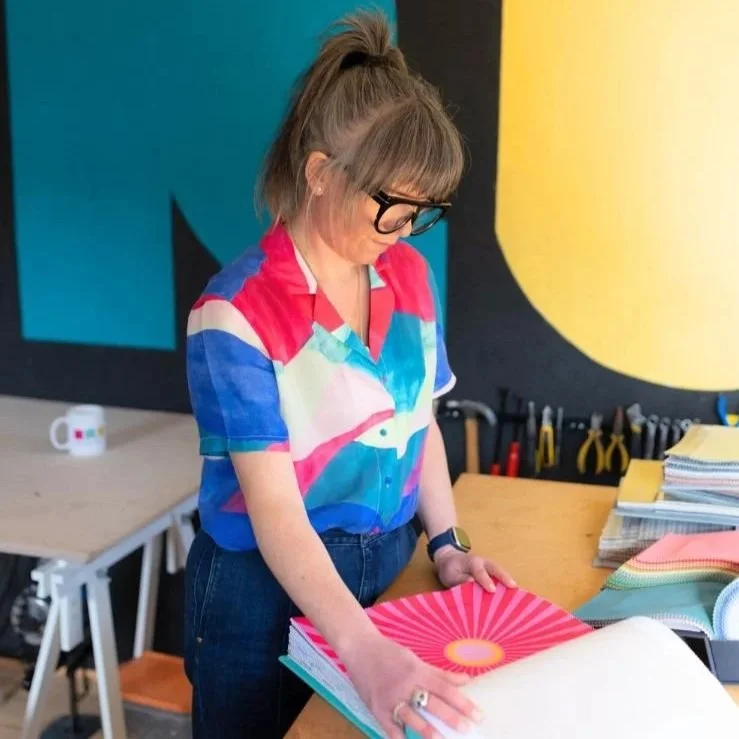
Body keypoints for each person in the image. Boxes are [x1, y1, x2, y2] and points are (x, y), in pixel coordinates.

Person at [183, 10, 516, 739]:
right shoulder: (233, 314)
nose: (403, 229)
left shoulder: (409, 276)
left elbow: (419, 421)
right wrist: (363, 650)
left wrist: (447, 544)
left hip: (393, 559)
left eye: (422, 212)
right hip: (261, 591)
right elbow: (274, 512)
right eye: (393, 205)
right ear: (320, 175)